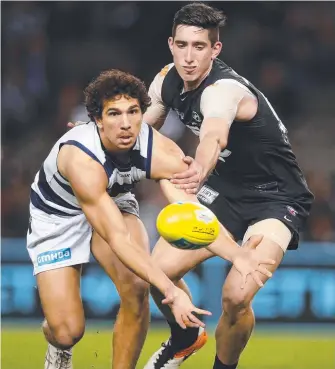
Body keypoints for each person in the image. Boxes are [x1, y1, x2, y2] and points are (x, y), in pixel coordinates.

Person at [31, 69, 272, 369]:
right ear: (97, 120)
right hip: (58, 214)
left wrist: (237, 254)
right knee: (67, 331)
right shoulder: (80, 159)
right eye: (114, 114)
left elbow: (193, 212)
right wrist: (172, 292)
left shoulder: (161, 151)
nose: (126, 123)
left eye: (133, 112)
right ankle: (57, 343)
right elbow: (117, 237)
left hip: (113, 200)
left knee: (136, 285)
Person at [139, 3, 314, 369]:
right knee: (154, 275)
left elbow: (214, 137)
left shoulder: (225, 90)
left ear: (215, 49)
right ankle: (185, 338)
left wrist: (200, 168)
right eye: (183, 45)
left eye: (199, 47)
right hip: (225, 193)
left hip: (275, 199)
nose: (189, 57)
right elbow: (140, 134)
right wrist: (98, 139)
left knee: (235, 295)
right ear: (171, 44)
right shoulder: (165, 82)